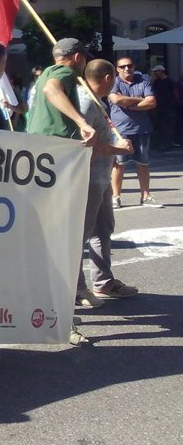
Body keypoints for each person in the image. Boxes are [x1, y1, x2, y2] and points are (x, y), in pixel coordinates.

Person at [24, 38, 97, 346]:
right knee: (62, 243)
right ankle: (62, 319)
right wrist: (82, 122)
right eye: (84, 59)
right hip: (57, 164)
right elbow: (53, 90)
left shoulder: (43, 73)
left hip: (38, 162)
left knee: (48, 243)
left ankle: (53, 310)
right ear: (77, 57)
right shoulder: (64, 74)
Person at [73, 60, 138, 308]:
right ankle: (77, 289)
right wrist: (117, 149)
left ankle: (104, 282)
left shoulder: (95, 99)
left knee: (102, 229)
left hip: (101, 177)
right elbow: (84, 142)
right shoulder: (86, 101)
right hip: (89, 179)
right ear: (109, 78)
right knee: (80, 235)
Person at [108, 58, 158, 208]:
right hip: (120, 130)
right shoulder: (114, 82)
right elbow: (116, 100)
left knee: (143, 163)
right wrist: (139, 99)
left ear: (134, 66)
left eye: (129, 65)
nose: (127, 68)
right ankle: (116, 197)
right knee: (119, 164)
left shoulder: (143, 81)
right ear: (117, 69)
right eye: (123, 66)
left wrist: (129, 105)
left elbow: (152, 102)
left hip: (142, 129)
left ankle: (146, 196)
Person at [149, 63, 175, 152]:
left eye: (156, 71)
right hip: (158, 107)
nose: (155, 73)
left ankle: (167, 144)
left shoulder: (170, 81)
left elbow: (175, 93)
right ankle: (160, 144)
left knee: (167, 126)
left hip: (168, 107)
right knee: (160, 126)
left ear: (162, 71)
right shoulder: (156, 82)